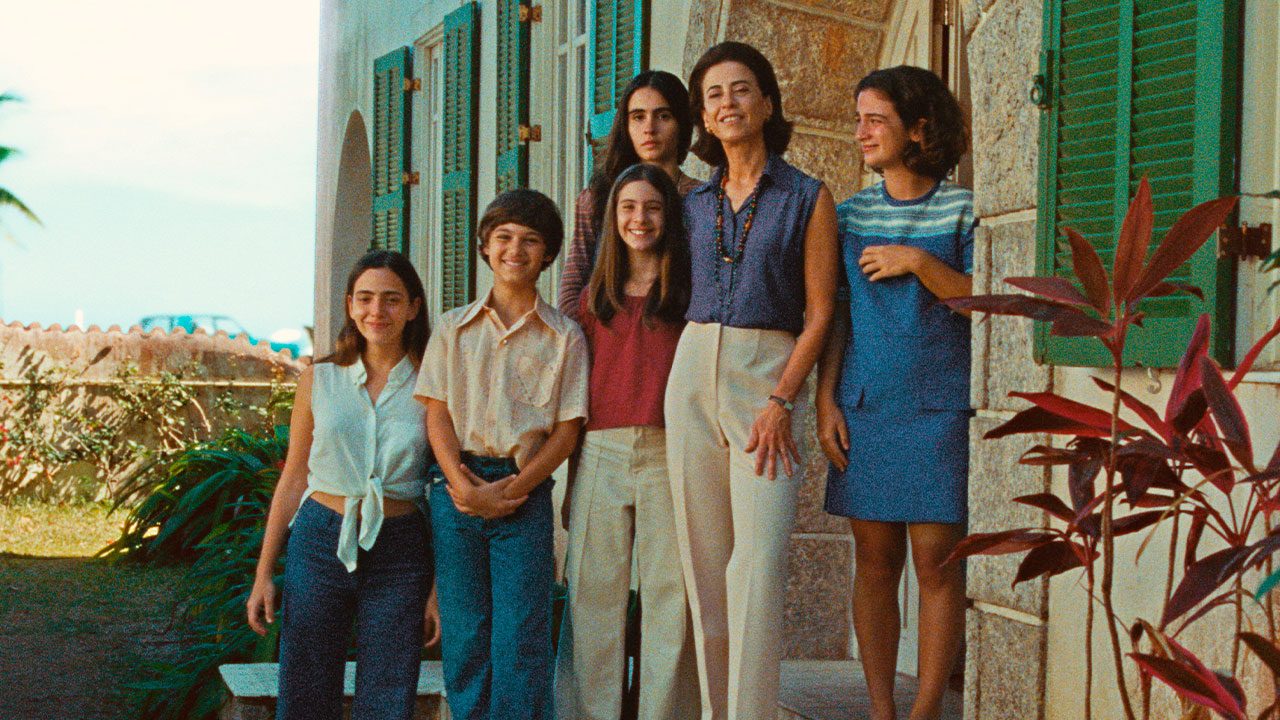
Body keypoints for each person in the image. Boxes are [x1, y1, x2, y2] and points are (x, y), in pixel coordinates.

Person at [664, 41, 838, 720]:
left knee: (757, 569)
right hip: (692, 371)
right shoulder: (690, 204)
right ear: (702, 118)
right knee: (705, 574)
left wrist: (781, 399)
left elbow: (821, 313)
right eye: (713, 95)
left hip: (767, 373)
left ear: (767, 103)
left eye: (741, 90)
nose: (728, 104)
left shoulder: (808, 197)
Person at [815, 65, 974, 720]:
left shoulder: (963, 209)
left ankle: (927, 708)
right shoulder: (848, 215)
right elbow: (834, 317)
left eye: (875, 119)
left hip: (940, 410)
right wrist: (825, 401)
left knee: (937, 561)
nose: (861, 132)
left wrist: (918, 262)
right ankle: (881, 709)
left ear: (920, 127)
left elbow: (985, 303)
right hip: (866, 409)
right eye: (858, 119)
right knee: (874, 561)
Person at [416, 189, 590, 720]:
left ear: (548, 254)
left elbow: (566, 431)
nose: (516, 249)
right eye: (504, 237)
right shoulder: (450, 329)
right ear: (485, 246)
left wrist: (513, 490)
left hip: (525, 495)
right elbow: (437, 413)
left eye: (531, 240)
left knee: (521, 634)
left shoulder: (565, 337)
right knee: (467, 634)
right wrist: (463, 487)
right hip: (457, 489)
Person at [246, 249, 437, 720]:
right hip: (320, 536)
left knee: (390, 687)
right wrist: (263, 572)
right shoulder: (320, 379)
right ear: (350, 305)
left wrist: (436, 586)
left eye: (392, 300)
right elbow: (294, 475)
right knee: (307, 683)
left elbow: (443, 484)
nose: (378, 311)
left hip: (402, 546)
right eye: (366, 298)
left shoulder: (435, 381)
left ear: (413, 306)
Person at [563, 163, 699, 720]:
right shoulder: (593, 299)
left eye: (651, 208)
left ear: (669, 217)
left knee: (671, 596)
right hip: (601, 449)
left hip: (671, 449)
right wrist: (571, 482)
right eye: (628, 208)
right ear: (613, 217)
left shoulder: (690, 294)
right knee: (593, 597)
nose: (639, 219)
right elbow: (575, 399)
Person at [557, 70, 700, 320]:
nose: (649, 129)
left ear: (682, 124)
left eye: (663, 116)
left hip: (677, 338)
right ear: (625, 125)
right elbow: (572, 286)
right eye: (638, 117)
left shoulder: (702, 199)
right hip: (606, 337)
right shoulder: (597, 199)